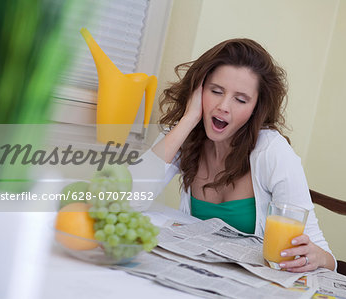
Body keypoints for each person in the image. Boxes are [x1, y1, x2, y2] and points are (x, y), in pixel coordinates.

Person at [131, 38, 335, 272]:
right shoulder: (185, 135)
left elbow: (326, 258)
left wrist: (316, 257)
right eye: (215, 91)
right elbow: (126, 200)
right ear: (198, 91)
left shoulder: (272, 152)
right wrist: (188, 119)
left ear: (256, 108)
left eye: (240, 99)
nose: (224, 106)